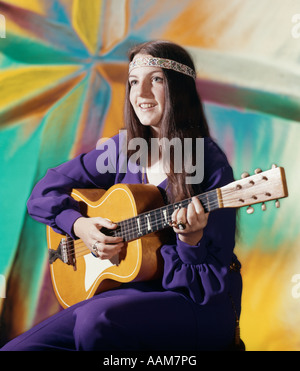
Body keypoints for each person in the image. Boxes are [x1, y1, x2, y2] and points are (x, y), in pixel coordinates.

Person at [1, 40, 242, 351]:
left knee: (97, 320)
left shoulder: (207, 161)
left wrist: (190, 241)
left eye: (155, 80)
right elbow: (45, 191)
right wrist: (80, 227)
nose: (140, 94)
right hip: (124, 292)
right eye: (133, 82)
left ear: (179, 88)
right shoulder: (122, 150)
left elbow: (210, 281)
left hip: (190, 302)